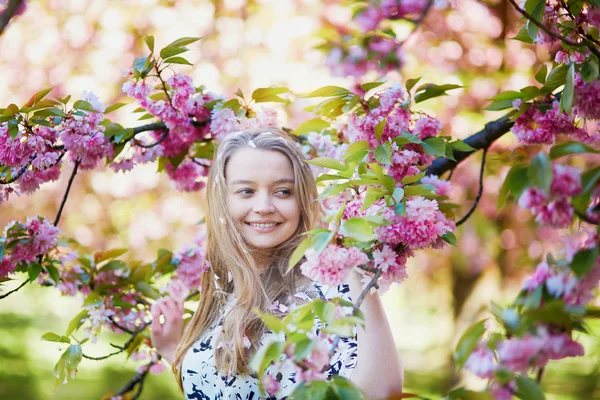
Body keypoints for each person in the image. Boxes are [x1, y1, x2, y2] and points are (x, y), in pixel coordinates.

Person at [151, 128, 403, 399]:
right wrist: (175, 352)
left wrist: (358, 268)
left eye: (283, 191)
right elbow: (217, 387)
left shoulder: (330, 291)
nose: (264, 206)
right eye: (246, 191)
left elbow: (380, 392)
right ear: (223, 200)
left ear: (301, 200)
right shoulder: (222, 290)